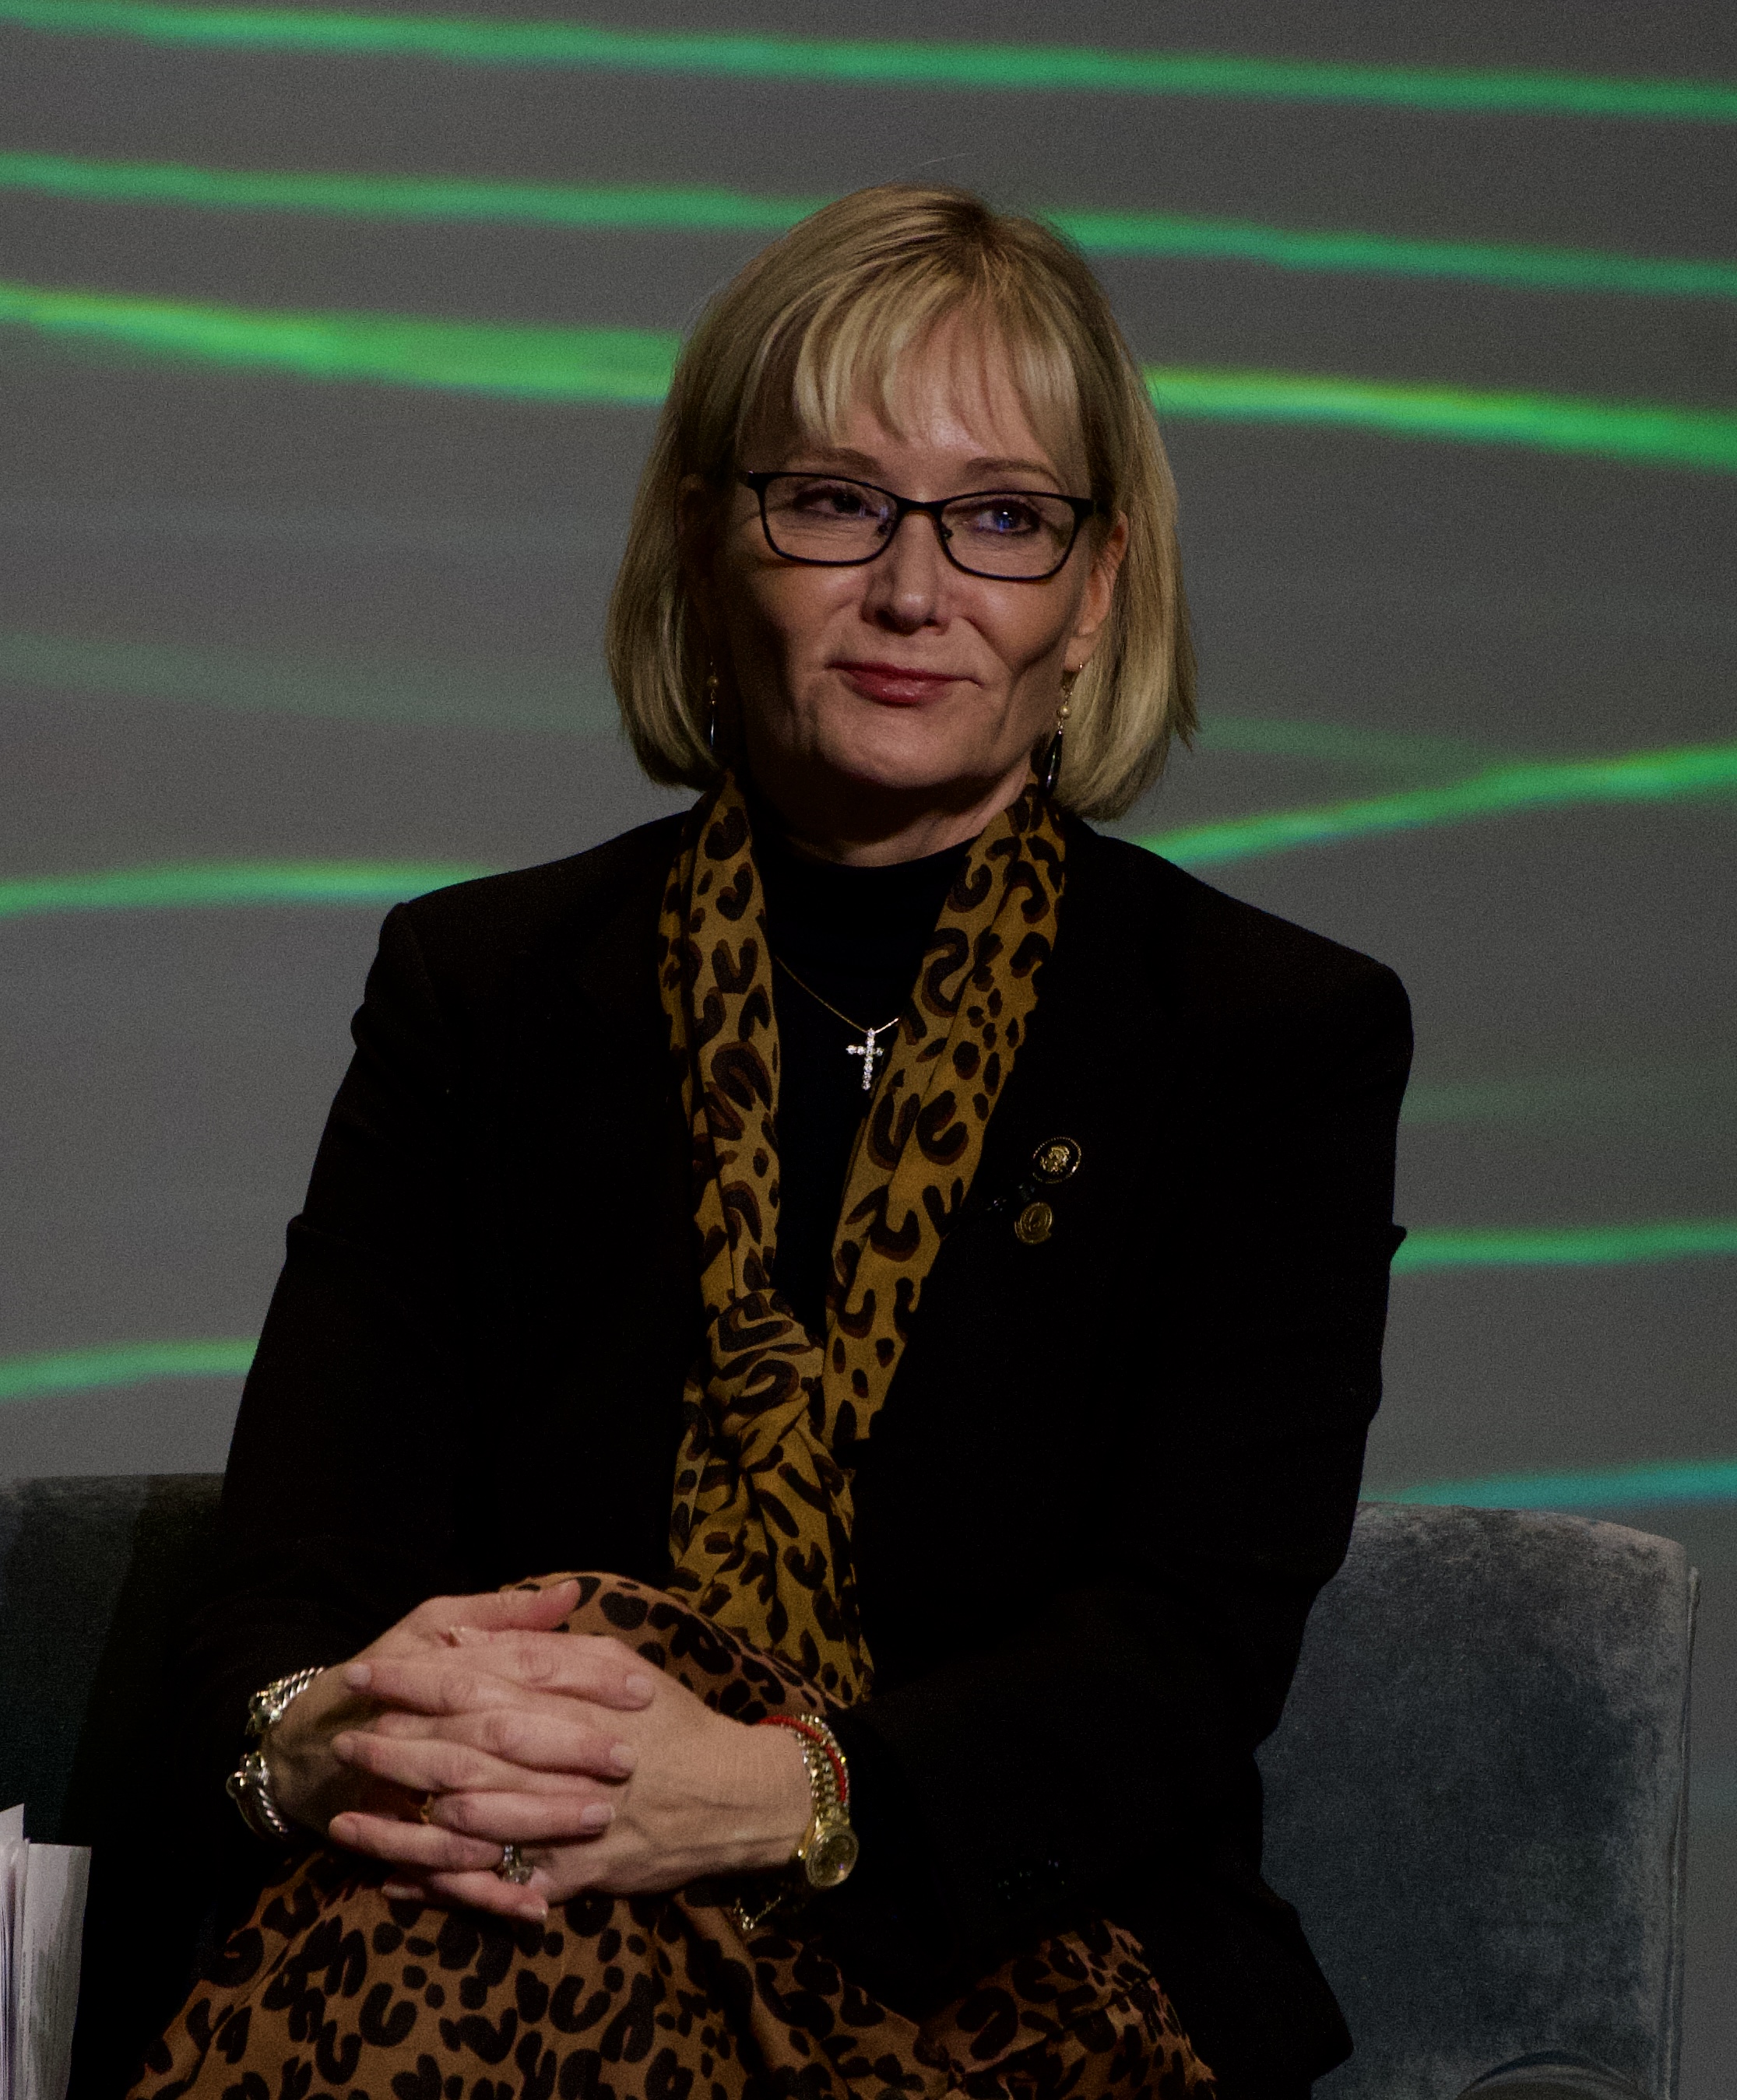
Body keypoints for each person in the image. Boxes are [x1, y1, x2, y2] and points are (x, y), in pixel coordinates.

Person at [129, 184, 1411, 2100]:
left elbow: (1181, 1647)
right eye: (833, 501)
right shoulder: (482, 987)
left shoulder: (1265, 1035)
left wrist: (776, 1791)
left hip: (1011, 1930)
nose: (913, 589)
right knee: (480, 1921)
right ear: (703, 538)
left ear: (1096, 591)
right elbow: (299, 1566)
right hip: (500, 1898)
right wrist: (313, 1735)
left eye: (1001, 517)